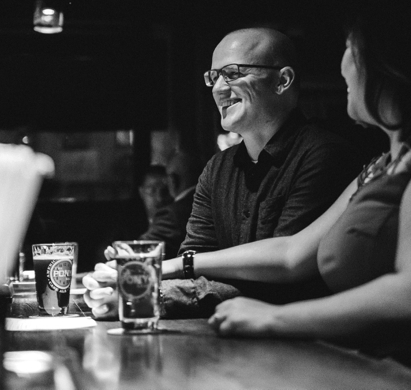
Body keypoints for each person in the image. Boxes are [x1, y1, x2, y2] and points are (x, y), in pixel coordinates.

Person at [87, 3, 411, 387]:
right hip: (358, 366)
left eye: (351, 50)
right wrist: (149, 274)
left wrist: (272, 319)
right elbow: (291, 253)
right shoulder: (383, 163)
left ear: (391, 65)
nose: (342, 65)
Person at [88, 27, 362, 316]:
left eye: (233, 73)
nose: (218, 88)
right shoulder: (217, 168)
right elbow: (198, 268)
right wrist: (135, 289)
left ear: (282, 80)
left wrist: (148, 296)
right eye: (213, 76)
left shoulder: (323, 154)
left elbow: (278, 282)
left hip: (306, 342)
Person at [139, 151, 202, 257]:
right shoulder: (209, 204)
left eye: (165, 182)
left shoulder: (173, 214)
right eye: (152, 190)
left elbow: (139, 252)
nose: (159, 198)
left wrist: (120, 252)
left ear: (172, 180)